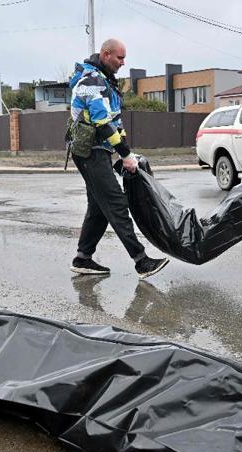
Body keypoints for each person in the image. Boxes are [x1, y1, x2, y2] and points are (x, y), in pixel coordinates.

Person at [68, 39, 169, 279]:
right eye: (119, 58)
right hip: (89, 152)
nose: (123, 63)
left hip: (98, 150)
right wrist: (124, 154)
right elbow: (102, 123)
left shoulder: (105, 81)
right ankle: (141, 261)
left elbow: (115, 122)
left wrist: (127, 153)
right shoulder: (91, 82)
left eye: (124, 58)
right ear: (105, 54)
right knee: (115, 203)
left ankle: (83, 259)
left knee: (99, 207)